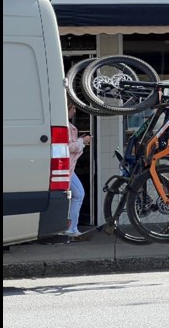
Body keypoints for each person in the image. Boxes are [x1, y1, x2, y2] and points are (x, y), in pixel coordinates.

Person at [64, 101, 92, 239]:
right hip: (66, 168)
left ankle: (70, 227)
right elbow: (67, 147)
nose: (74, 111)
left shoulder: (68, 126)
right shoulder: (66, 127)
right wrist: (83, 141)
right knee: (79, 194)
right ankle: (70, 228)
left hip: (69, 168)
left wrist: (81, 141)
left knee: (75, 195)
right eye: (73, 108)